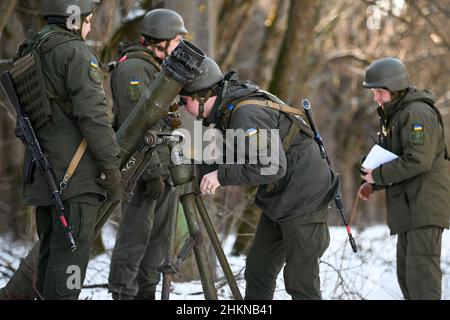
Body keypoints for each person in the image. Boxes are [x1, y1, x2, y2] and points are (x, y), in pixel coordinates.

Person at [179, 57, 338, 300]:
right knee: (258, 271)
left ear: (202, 96)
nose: (183, 107)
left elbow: (272, 166)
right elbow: (235, 152)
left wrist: (220, 176)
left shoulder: (245, 113)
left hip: (304, 196)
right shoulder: (229, 109)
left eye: (185, 100)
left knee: (300, 281)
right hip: (280, 197)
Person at [6, 0, 121, 300]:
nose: (89, 26)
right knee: (68, 266)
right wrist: (112, 168)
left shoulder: (31, 50)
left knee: (47, 259)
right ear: (74, 18)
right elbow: (94, 117)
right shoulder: (75, 52)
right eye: (88, 19)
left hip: (43, 176)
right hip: (75, 179)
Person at [108, 9, 187, 300]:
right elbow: (136, 126)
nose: (179, 46)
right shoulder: (133, 69)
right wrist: (152, 172)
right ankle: (123, 294)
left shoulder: (155, 68)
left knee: (156, 241)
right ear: (161, 40)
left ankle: (146, 293)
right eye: (177, 40)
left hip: (160, 168)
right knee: (134, 239)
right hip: (139, 169)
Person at [359, 57, 450, 300]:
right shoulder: (398, 114)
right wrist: (373, 182)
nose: (376, 98)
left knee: (422, 282)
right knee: (408, 279)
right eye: (374, 92)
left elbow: (418, 159)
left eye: (380, 91)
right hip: (410, 209)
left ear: (395, 88)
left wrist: (378, 174)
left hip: (424, 207)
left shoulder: (417, 113)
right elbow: (395, 157)